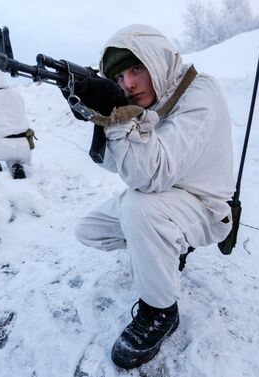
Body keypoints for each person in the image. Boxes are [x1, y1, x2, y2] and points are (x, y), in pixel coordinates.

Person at [67, 24, 235, 369]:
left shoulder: (199, 94)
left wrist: (119, 120)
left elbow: (150, 175)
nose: (127, 84)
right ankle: (165, 248)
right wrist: (100, 118)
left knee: (139, 208)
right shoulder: (150, 100)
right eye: (118, 78)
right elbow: (123, 168)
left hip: (203, 206)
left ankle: (160, 311)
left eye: (135, 69)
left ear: (156, 61)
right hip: (166, 198)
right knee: (90, 229)